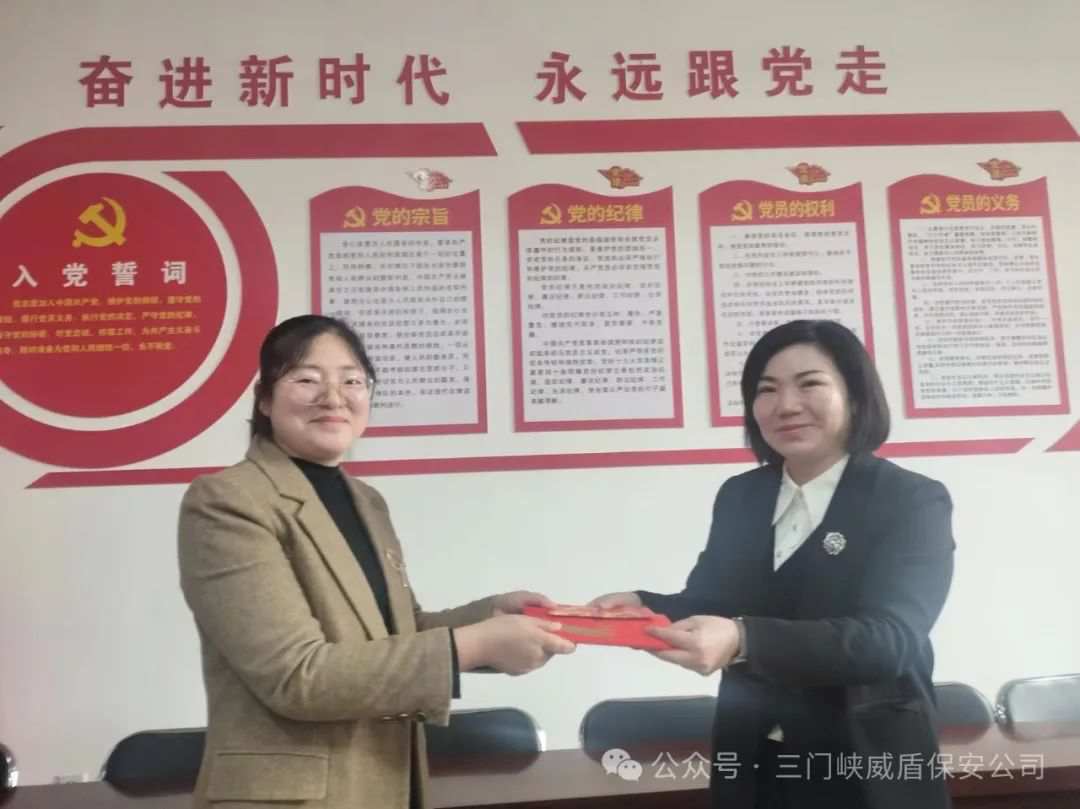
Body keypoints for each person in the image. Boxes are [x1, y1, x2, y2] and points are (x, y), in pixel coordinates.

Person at [178, 315, 575, 809]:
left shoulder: (366, 501)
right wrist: (473, 646)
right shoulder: (228, 501)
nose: (333, 397)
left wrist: (491, 617)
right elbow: (297, 675)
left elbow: (397, 634)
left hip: (384, 783)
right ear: (264, 399)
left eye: (352, 381)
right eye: (306, 379)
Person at [591, 319, 955, 809]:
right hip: (752, 755)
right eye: (766, 390)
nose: (785, 405)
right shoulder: (742, 495)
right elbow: (712, 601)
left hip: (866, 764)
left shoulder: (910, 499)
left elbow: (889, 640)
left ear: (855, 396)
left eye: (809, 384)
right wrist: (644, 608)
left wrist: (744, 639)